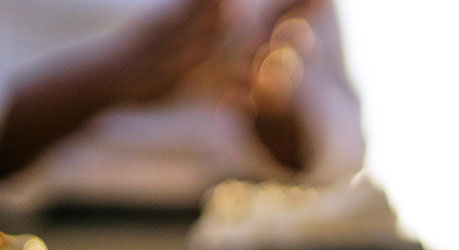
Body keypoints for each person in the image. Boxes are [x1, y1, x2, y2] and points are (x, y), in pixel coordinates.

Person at [0, 0, 364, 211]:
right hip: (64, 237)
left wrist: (269, 98)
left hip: (233, 247)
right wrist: (110, 80)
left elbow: (341, 152)